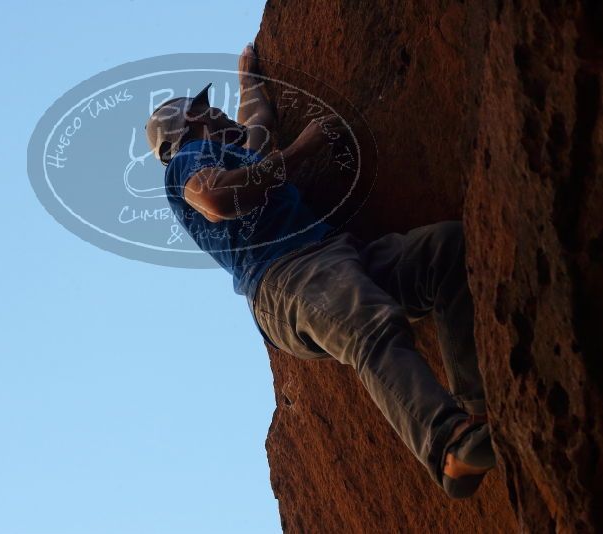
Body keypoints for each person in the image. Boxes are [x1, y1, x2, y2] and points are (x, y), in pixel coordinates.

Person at [144, 43, 496, 499]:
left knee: (443, 253)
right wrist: (302, 149)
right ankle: (447, 445)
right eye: (208, 111)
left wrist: (249, 82)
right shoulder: (189, 162)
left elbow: (258, 126)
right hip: (287, 279)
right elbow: (215, 200)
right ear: (191, 123)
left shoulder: (240, 154)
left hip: (333, 256)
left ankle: (480, 415)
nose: (221, 115)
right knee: (368, 325)